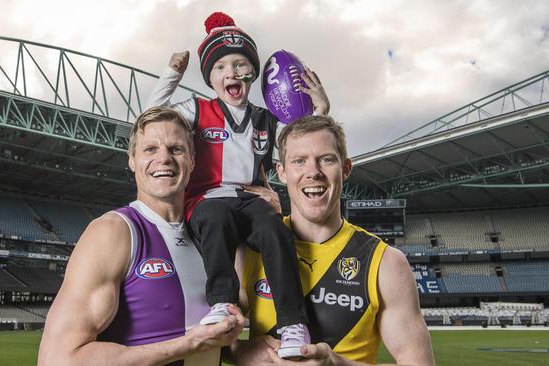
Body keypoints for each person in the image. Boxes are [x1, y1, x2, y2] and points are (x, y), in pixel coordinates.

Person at [146, 11, 331, 359]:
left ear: (252, 74)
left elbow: (303, 144)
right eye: (219, 67)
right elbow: (151, 118)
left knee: (276, 231)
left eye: (240, 65)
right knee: (214, 220)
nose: (230, 72)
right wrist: (172, 73)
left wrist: (319, 110)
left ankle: (293, 322)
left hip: (251, 198)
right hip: (207, 198)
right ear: (210, 78)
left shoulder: (265, 118)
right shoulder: (195, 110)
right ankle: (223, 303)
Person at [38, 107, 246, 366]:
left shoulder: (210, 236)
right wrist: (189, 344)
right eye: (150, 149)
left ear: (192, 160)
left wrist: (244, 352)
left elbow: (199, 333)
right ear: (132, 160)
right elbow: (58, 360)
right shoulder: (113, 232)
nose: (164, 158)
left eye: (176, 149)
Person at [230, 115, 435, 365]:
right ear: (282, 172)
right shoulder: (251, 246)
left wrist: (335, 363)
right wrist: (239, 352)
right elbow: (208, 334)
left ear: (345, 168)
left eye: (326, 160)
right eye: (299, 161)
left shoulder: (386, 263)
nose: (312, 173)